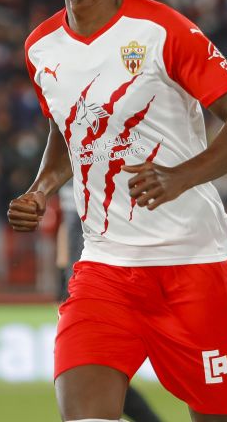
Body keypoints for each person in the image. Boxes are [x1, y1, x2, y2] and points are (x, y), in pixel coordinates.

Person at [7, 0, 227, 422]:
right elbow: (67, 128)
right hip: (106, 267)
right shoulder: (41, 49)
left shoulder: (162, 30)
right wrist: (40, 188)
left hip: (193, 264)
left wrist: (179, 177)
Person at [56, 181, 162, 422]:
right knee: (86, 372)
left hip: (108, 277)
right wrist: (60, 278)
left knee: (95, 373)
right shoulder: (72, 176)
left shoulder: (107, 172)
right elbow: (66, 229)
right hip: (81, 281)